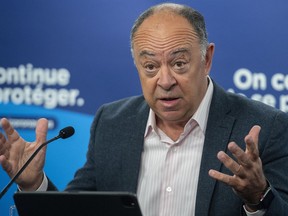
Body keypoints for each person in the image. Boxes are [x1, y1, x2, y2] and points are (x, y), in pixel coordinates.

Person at [0, 3, 288, 216]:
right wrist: (34, 183)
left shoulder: (265, 127)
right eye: (150, 66)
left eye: (179, 64)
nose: (165, 81)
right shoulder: (112, 122)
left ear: (207, 59)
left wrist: (258, 198)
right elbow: (76, 212)